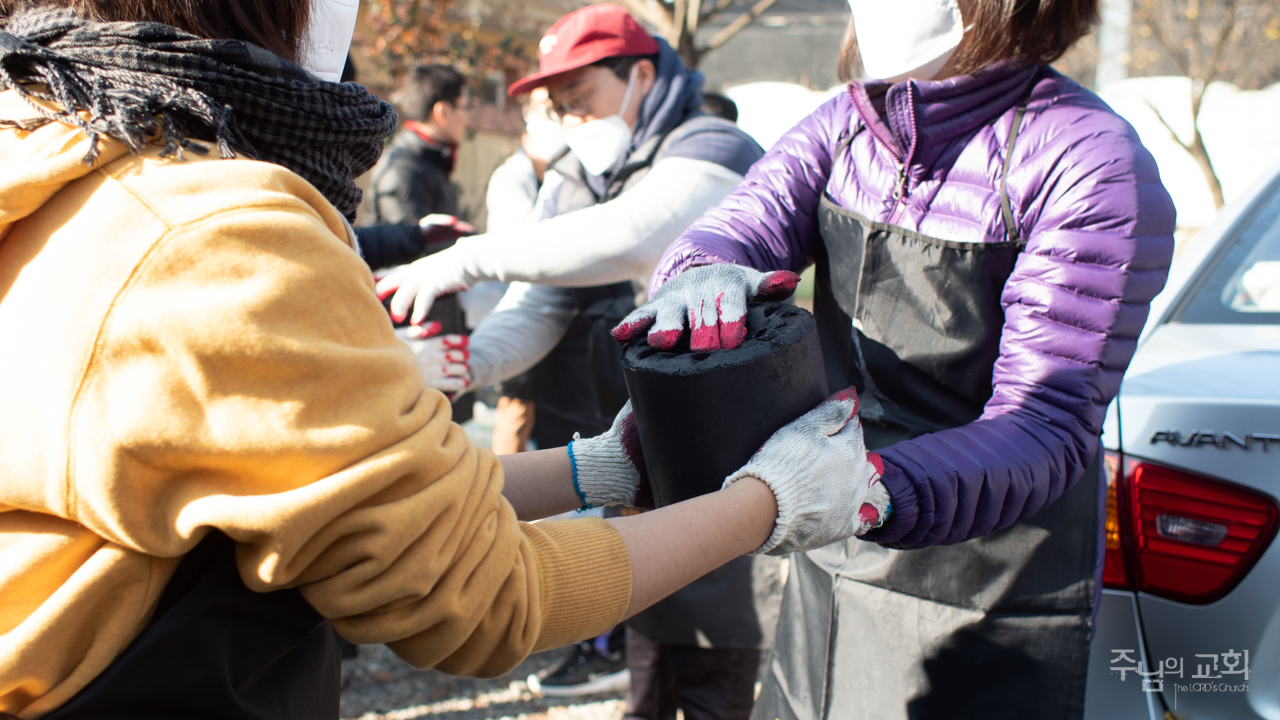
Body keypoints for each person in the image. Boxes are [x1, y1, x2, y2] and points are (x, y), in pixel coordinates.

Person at [0, 1, 881, 717]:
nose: (570, 116)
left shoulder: (63, 159)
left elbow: (369, 491)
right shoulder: (217, 231)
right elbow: (482, 594)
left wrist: (595, 467)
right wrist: (770, 498)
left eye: (582, 94)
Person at [613, 1, 1177, 718]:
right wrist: (701, 273)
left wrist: (866, 486)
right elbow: (740, 227)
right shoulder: (845, 126)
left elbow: (1046, 423)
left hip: (991, 578)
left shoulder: (1090, 160)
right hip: (833, 538)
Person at [376, 7, 782, 713]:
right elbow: (541, 305)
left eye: (581, 100)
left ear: (641, 76)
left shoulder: (712, 147)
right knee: (647, 596)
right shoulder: (572, 174)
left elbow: (628, 237)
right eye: (557, 108)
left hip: (726, 422)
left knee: (716, 609)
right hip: (631, 424)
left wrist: (466, 258)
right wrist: (460, 365)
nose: (570, 121)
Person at [355, 63, 469, 271]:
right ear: (443, 111)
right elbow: (411, 258)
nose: (466, 118)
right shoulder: (404, 170)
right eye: (464, 106)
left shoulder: (430, 161)